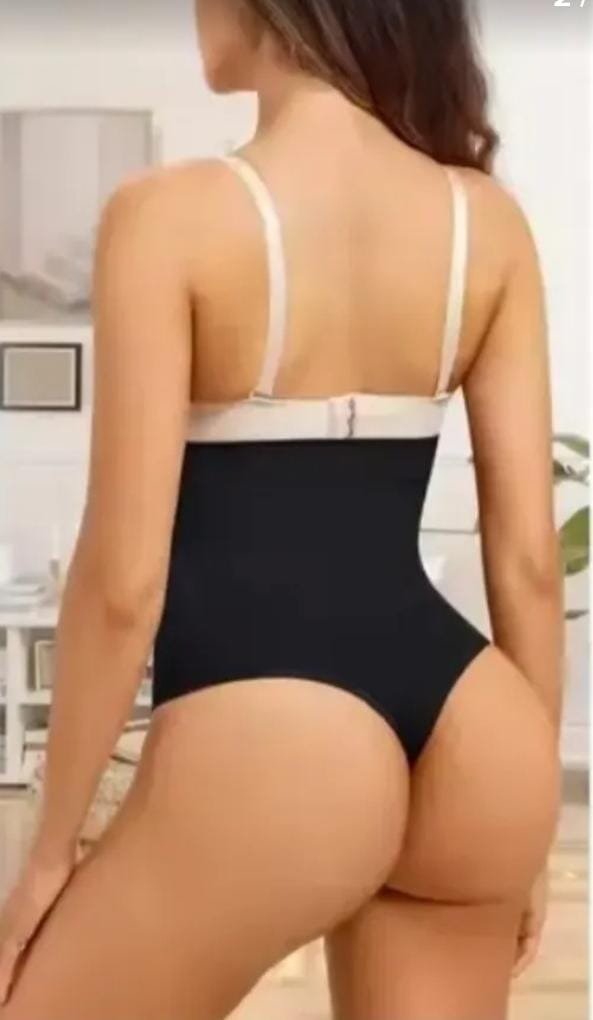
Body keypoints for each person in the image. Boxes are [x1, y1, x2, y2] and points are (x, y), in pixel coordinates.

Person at [0, 1, 564, 1017]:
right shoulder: (483, 222)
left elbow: (123, 582)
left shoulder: (168, 216)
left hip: (278, 736)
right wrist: (523, 828)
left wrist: (49, 851)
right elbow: (524, 558)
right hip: (474, 727)